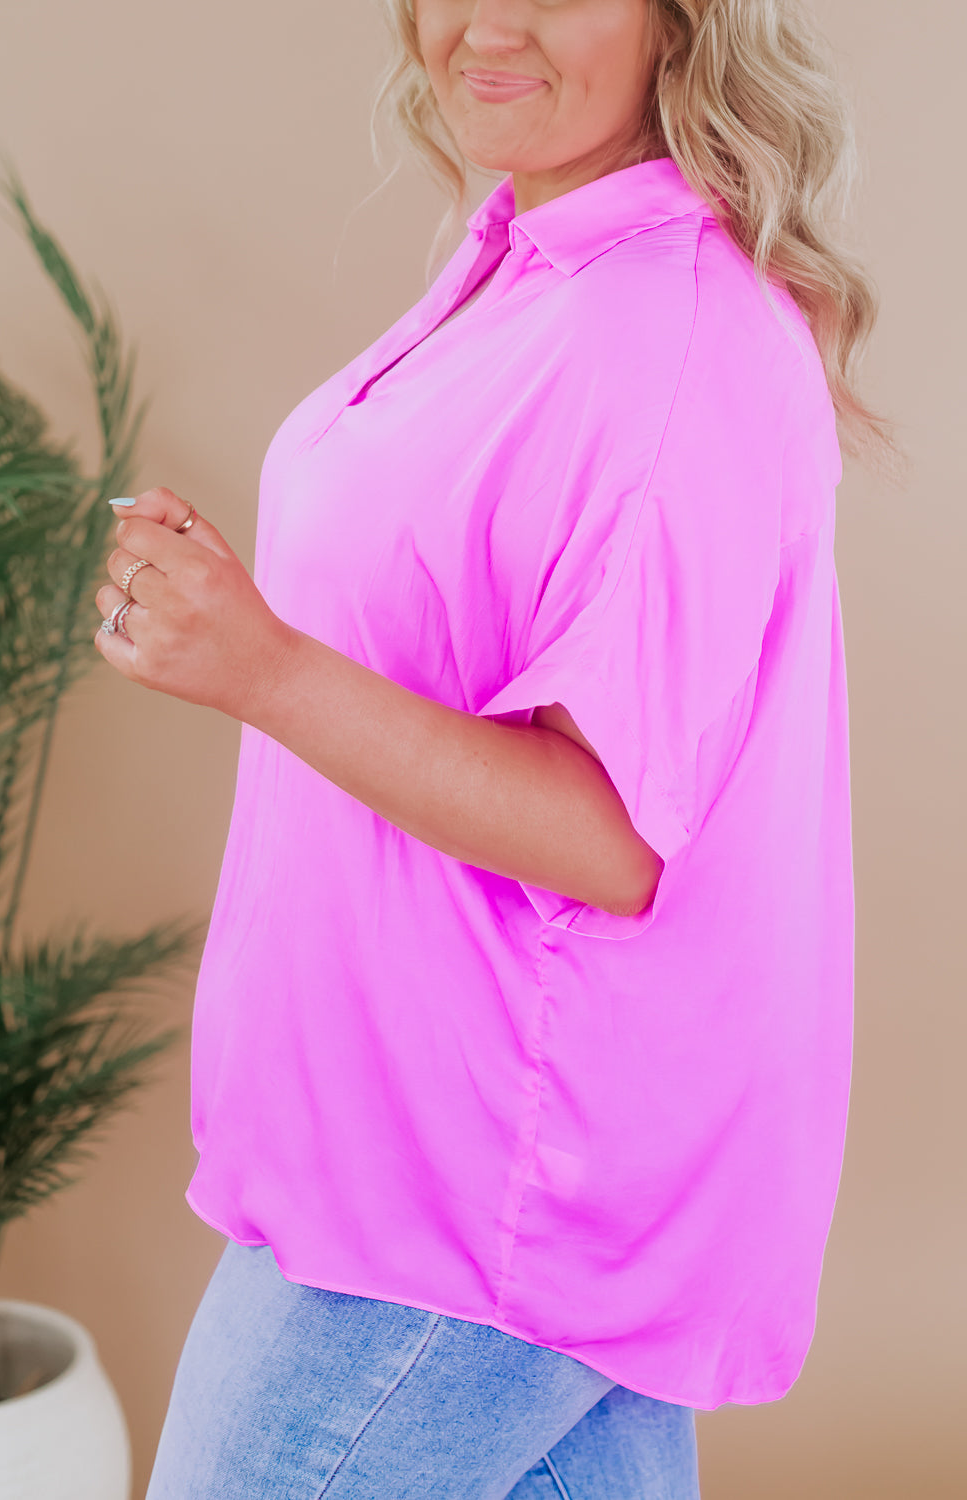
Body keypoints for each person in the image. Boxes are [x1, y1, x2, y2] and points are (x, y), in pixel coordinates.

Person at [96, 2, 891, 1496]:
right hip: (420, 1152)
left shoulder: (667, 338)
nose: (489, 21)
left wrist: (258, 665)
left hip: (475, 1203)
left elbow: (612, 835)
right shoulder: (537, 256)